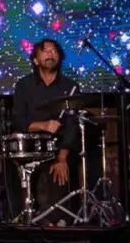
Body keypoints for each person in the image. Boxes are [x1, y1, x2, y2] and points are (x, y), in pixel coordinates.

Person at [11, 38, 80, 225]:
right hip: (29, 147)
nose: (51, 54)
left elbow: (73, 126)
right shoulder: (24, 85)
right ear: (35, 59)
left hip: (57, 150)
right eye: (45, 51)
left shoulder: (70, 87)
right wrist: (43, 125)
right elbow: (17, 120)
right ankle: (23, 217)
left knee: (59, 176)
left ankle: (57, 220)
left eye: (54, 51)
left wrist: (62, 158)